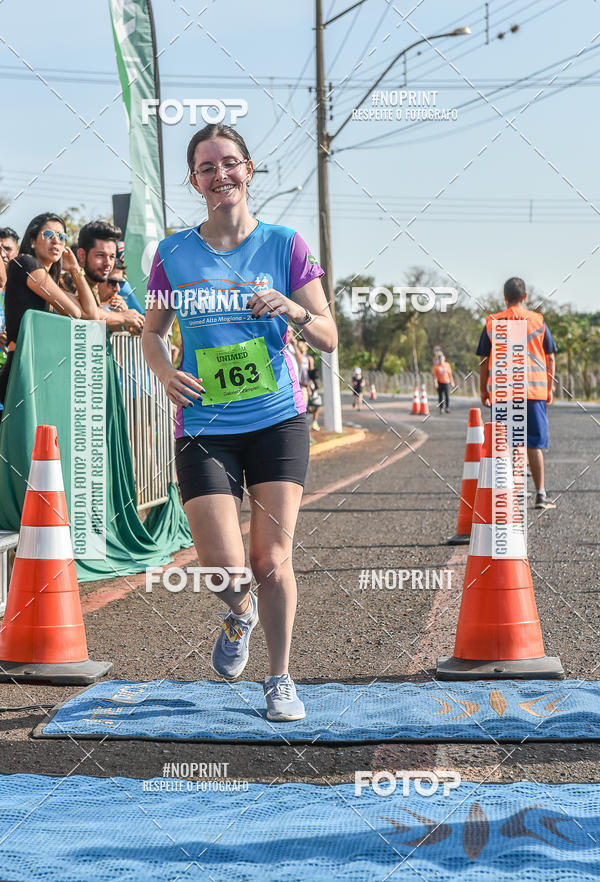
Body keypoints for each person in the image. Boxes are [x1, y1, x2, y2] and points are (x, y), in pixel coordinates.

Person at [142, 124, 337, 722]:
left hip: (276, 419)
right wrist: (165, 372)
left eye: (229, 162)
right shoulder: (173, 254)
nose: (220, 174)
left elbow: (328, 336)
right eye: (207, 167)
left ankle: (279, 679)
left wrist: (294, 309)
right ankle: (240, 613)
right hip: (205, 424)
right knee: (225, 571)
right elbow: (152, 332)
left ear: (248, 169)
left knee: (271, 560)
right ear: (194, 181)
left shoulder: (285, 245)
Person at [0, 212, 98, 412]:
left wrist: (75, 269)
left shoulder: (48, 282)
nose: (56, 241)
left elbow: (91, 314)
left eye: (62, 237)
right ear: (32, 240)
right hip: (22, 370)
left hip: (40, 370)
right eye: (48, 234)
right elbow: (74, 312)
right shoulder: (24, 263)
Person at [477, 276, 557, 510]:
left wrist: (484, 389)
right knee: (533, 444)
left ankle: (506, 497)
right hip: (533, 392)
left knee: (503, 444)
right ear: (525, 296)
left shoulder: (492, 322)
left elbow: (484, 360)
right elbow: (550, 357)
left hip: (503, 393)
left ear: (505, 297)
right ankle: (540, 495)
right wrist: (550, 386)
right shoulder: (538, 320)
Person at [77, 220, 144, 335]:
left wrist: (129, 324)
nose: (107, 263)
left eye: (112, 257)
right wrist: (122, 317)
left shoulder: (94, 286)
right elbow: (82, 310)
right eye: (100, 255)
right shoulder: (68, 281)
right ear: (82, 256)